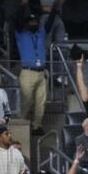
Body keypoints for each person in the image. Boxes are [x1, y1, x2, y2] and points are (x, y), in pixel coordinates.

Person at [14, 8, 56, 136]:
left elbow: (49, 23)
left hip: (42, 73)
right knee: (26, 101)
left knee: (41, 102)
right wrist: (23, 6)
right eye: (30, 22)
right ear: (26, 24)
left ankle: (37, 126)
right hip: (28, 72)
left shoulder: (41, 33)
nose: (33, 24)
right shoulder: (21, 34)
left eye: (35, 22)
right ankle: (22, 126)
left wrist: (55, 7)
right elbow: (16, 22)